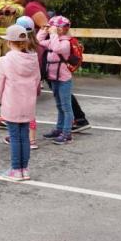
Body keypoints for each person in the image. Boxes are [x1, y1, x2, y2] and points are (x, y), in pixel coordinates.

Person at [11, 0, 91, 132]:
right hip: (44, 53)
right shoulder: (31, 6)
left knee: (32, 85)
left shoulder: (31, 7)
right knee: (57, 89)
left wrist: (39, 45)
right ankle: (78, 119)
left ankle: (16, 118)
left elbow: (47, 27)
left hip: (43, 55)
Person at [0, 24, 41, 181]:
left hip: (12, 103)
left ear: (8, 42)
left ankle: (15, 169)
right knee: (24, 136)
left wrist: (1, 100)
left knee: (14, 137)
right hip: (28, 103)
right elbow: (37, 81)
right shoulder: (33, 59)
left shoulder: (4, 60)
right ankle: (24, 169)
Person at [39, 15, 76, 145]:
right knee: (59, 106)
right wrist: (44, 30)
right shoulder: (54, 39)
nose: (55, 29)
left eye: (57, 27)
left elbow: (56, 48)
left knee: (66, 107)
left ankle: (67, 134)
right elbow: (38, 41)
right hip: (53, 78)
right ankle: (59, 129)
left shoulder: (65, 43)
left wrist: (53, 34)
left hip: (64, 79)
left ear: (65, 29)